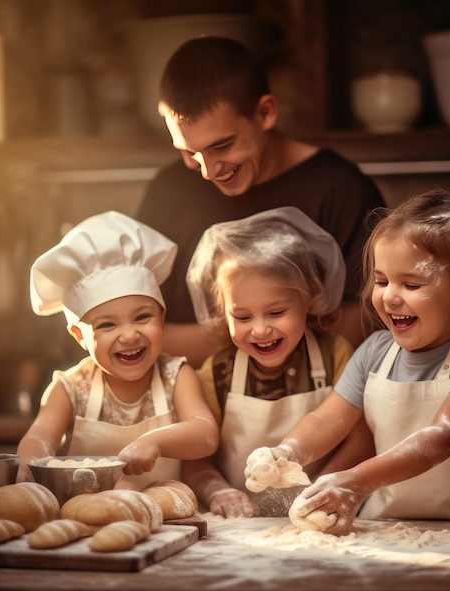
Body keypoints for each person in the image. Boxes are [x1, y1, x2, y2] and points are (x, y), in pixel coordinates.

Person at [245, 189, 450, 534]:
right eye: (381, 281)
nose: (390, 296)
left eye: (411, 284)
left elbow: (442, 437)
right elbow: (326, 420)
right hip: (391, 529)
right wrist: (286, 452)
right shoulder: (374, 352)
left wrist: (356, 481)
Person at [137, 35, 385, 368]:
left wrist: (224, 335)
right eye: (188, 152)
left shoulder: (340, 189)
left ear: (265, 113)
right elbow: (135, 327)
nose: (208, 171)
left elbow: (364, 327)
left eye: (222, 145)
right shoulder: (168, 190)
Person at [182, 206, 375, 517]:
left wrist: (325, 487)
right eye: (242, 316)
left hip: (322, 511)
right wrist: (216, 490)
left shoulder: (334, 355)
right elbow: (195, 461)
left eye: (276, 312)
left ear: (309, 297)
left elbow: (362, 440)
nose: (260, 329)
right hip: (239, 527)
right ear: (222, 310)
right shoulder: (217, 373)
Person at [16, 211, 219, 487]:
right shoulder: (70, 389)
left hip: (169, 522)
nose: (129, 334)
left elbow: (205, 434)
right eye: (108, 325)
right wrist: (28, 467)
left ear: (162, 316)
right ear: (79, 336)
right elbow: (39, 438)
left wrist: (155, 442)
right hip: (88, 521)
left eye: (143, 317)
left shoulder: (177, 376)